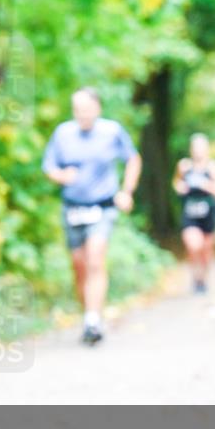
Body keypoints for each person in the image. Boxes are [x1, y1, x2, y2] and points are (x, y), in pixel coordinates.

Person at [42, 87, 142, 345]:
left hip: (102, 206)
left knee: (96, 259)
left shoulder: (112, 131)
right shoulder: (63, 133)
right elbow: (49, 166)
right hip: (73, 207)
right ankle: (88, 312)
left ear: (97, 108)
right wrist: (60, 176)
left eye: (86, 109)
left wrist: (126, 191)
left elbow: (133, 159)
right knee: (79, 265)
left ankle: (93, 321)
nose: (82, 115)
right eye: (77, 110)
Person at [172, 134, 215, 294]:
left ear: (207, 149)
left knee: (206, 249)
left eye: (201, 147)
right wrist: (180, 187)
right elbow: (176, 183)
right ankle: (195, 276)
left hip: (208, 213)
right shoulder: (184, 166)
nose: (198, 151)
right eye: (195, 147)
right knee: (193, 245)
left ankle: (203, 278)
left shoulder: (214, 167)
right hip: (190, 212)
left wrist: (206, 185)